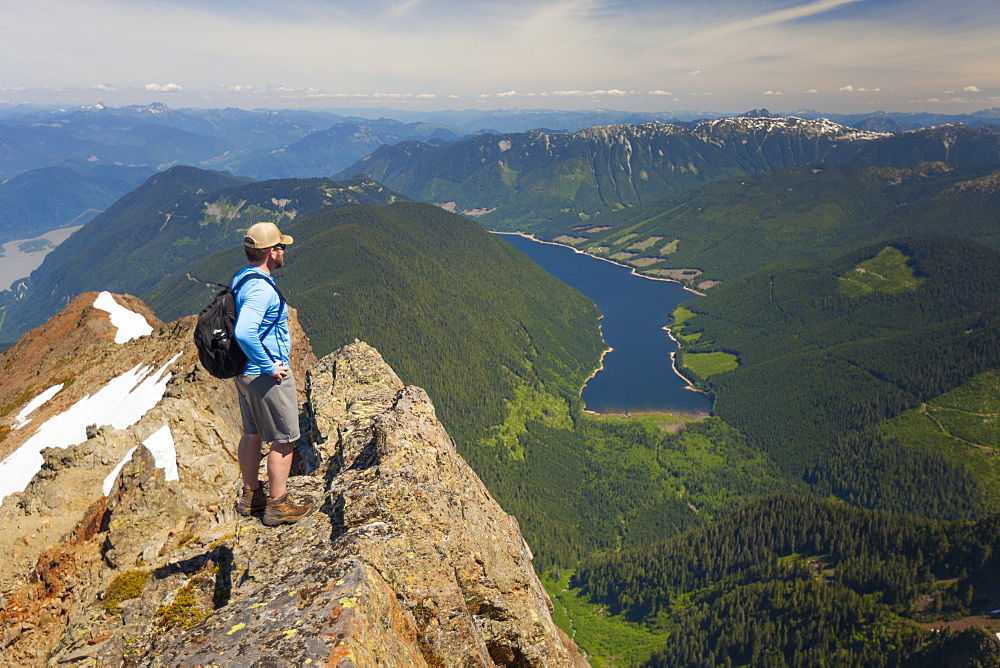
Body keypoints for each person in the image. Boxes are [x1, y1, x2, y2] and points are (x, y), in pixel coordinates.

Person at [232, 221, 312, 526]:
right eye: (281, 246)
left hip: (244, 372)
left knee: (251, 433)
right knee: (284, 438)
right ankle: (278, 504)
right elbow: (244, 331)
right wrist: (268, 366)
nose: (283, 251)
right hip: (265, 376)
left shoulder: (242, 277)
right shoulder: (261, 289)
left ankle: (251, 495)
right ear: (270, 251)